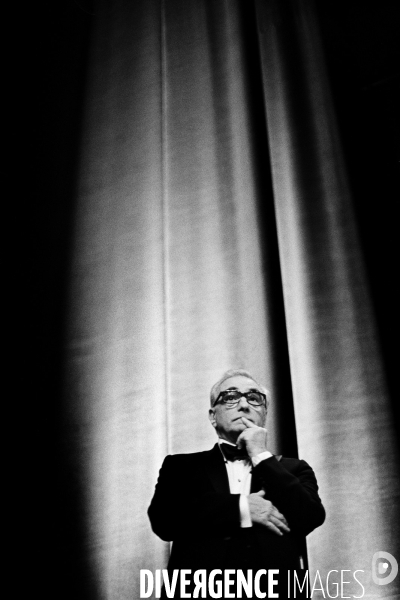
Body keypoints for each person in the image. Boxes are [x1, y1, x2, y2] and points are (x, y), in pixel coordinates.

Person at [148, 369, 325, 598]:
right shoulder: (180, 466)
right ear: (213, 416)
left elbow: (310, 517)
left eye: (254, 398)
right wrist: (242, 508)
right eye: (231, 397)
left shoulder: (294, 469)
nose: (244, 405)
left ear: (264, 414)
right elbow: (164, 520)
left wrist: (260, 454)